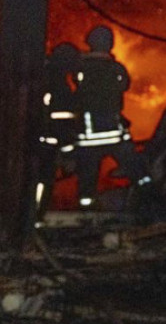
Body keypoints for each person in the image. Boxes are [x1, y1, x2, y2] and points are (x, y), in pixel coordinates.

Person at [71, 25, 140, 209]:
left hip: (88, 135)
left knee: (87, 179)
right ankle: (145, 198)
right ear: (110, 45)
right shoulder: (117, 69)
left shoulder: (81, 67)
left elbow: (76, 82)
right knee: (136, 168)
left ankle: (85, 211)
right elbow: (125, 85)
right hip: (114, 132)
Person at [35, 42, 81, 220]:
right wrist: (68, 157)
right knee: (42, 180)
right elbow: (62, 121)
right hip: (45, 144)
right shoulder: (58, 84)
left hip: (36, 141)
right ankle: (34, 218)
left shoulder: (43, 74)